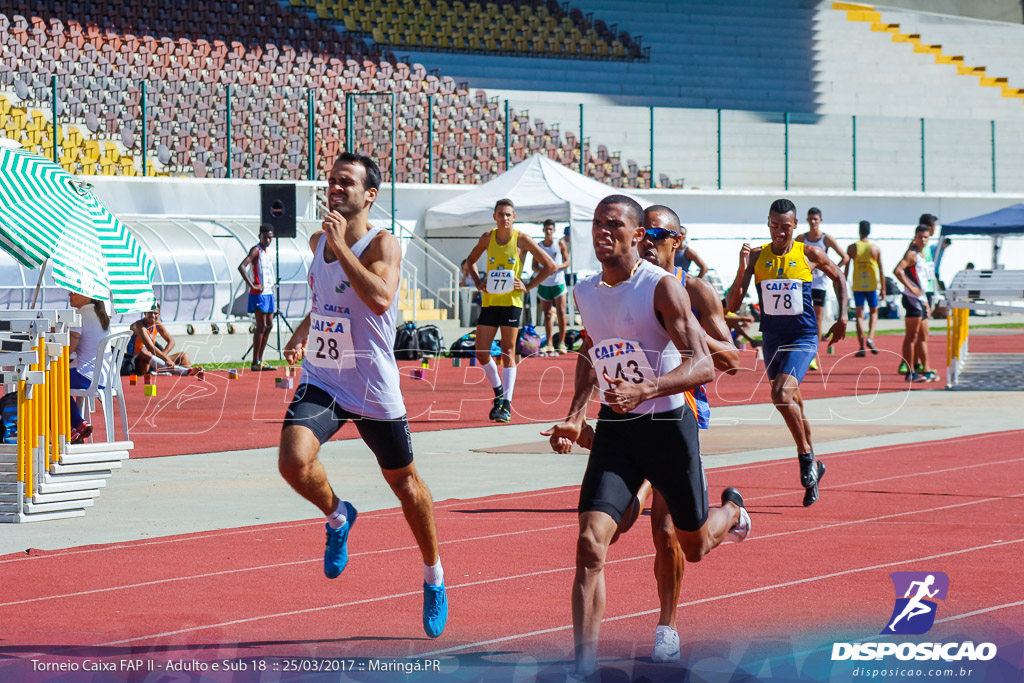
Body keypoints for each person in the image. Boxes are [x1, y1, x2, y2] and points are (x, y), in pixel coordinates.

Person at [542, 195, 749, 678]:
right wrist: (575, 415)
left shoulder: (664, 288)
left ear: (638, 236)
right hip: (618, 430)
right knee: (591, 543)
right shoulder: (585, 292)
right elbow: (592, 351)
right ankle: (585, 669)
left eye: (614, 224)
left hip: (668, 429)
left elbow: (704, 365)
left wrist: (646, 387)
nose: (602, 231)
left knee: (690, 545)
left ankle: (733, 511)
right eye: (597, 223)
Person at [278, 153, 448, 638]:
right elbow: (326, 299)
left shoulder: (385, 244)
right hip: (325, 377)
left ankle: (433, 574)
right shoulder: (317, 242)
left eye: (345, 182)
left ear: (369, 195)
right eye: (331, 179)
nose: (334, 187)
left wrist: (340, 246)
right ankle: (338, 515)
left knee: (407, 486)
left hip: (372, 386)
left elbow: (377, 297)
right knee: (293, 460)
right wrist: (304, 330)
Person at [606, 204, 740, 663]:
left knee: (682, 540)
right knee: (619, 521)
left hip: (678, 414)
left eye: (658, 232)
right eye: (643, 231)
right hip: (630, 417)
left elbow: (734, 360)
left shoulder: (694, 290)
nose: (647, 239)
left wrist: (692, 336)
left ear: (677, 240)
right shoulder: (628, 285)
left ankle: (668, 625)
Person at [726, 199, 848, 507]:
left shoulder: (808, 253)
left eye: (786, 227)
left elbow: (839, 277)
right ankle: (816, 465)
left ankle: (805, 457)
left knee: (781, 394)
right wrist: (742, 269)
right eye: (774, 226)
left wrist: (843, 316)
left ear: (796, 227)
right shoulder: (756, 257)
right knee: (793, 402)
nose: (780, 232)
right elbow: (731, 304)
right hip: (772, 339)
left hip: (803, 336)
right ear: (768, 224)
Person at [464, 199, 556, 423]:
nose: (504, 218)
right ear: (494, 217)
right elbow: (471, 260)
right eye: (500, 214)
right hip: (490, 302)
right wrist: (478, 282)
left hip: (512, 302)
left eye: (508, 214)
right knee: (481, 352)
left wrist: (528, 286)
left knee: (508, 350)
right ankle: (498, 391)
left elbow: (550, 266)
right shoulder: (487, 237)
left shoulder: (522, 239)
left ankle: (507, 403)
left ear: (514, 217)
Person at [795, 207, 849, 349]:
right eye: (810, 219)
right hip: (804, 283)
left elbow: (845, 257)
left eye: (815, 219)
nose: (813, 222)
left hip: (820, 284)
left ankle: (814, 351)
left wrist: (830, 269)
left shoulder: (826, 239)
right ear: (807, 220)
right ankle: (802, 346)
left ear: (820, 221)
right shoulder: (801, 238)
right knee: (800, 317)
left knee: (817, 318)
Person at [894, 225, 937, 383]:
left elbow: (922, 279)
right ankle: (910, 370)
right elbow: (898, 270)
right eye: (920, 237)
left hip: (921, 299)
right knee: (911, 336)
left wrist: (925, 301)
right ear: (915, 237)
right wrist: (911, 287)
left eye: (926, 237)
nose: (923, 240)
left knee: (923, 337)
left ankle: (926, 370)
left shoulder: (922, 254)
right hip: (911, 299)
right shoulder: (911, 254)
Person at [67, 292, 112, 444]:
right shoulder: (100, 313)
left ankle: (72, 428)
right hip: (101, 376)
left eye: (73, 291)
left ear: (86, 296)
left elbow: (68, 349)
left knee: (46, 381)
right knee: (51, 380)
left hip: (86, 376)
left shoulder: (81, 314)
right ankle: (76, 426)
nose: (69, 294)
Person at [238, 225, 276, 372]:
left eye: (270, 238)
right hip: (258, 293)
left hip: (268, 292)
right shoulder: (256, 250)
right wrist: (251, 285)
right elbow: (242, 266)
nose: (268, 240)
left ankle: (260, 359)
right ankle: (255, 361)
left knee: (269, 325)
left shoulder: (267, 252)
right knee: (261, 325)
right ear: (260, 235)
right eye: (265, 237)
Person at [845, 220, 884, 358]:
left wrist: (843, 281)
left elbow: (847, 267)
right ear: (869, 231)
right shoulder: (875, 248)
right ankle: (871, 337)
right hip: (872, 284)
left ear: (859, 231)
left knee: (859, 315)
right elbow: (881, 269)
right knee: (874, 312)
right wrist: (883, 288)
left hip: (858, 284)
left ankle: (861, 346)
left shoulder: (852, 247)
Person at [128, 304, 201, 375]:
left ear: (159, 314)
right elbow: (150, 347)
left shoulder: (157, 324)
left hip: (153, 360)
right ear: (145, 313)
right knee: (144, 352)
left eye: (155, 313)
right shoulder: (138, 325)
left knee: (184, 356)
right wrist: (166, 359)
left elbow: (172, 342)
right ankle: (184, 371)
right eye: (150, 313)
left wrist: (162, 357)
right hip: (137, 361)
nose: (153, 316)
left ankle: (186, 373)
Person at [534, 219, 571, 354]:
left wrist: (556, 267)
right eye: (546, 229)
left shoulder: (559, 243)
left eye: (551, 229)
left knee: (561, 312)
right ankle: (549, 343)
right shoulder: (539, 245)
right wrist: (544, 271)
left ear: (554, 230)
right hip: (545, 283)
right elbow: (534, 265)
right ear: (543, 230)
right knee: (548, 314)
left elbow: (567, 262)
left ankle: (561, 342)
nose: (549, 232)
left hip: (558, 283)